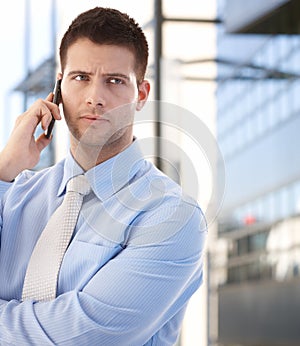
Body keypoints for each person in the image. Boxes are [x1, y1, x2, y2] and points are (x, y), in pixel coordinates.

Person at [0, 7, 207, 346]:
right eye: (80, 77)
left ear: (140, 95)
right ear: (58, 88)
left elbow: (82, 337)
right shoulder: (14, 193)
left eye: (114, 81)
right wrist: (3, 168)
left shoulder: (174, 218)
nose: (95, 97)